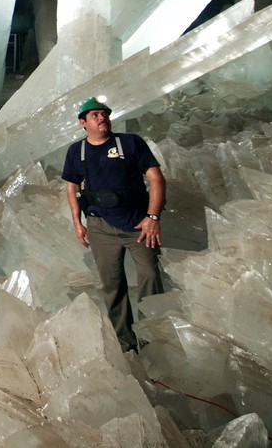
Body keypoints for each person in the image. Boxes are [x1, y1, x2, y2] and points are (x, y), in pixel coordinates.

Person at [61, 97, 166, 352]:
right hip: (100, 227)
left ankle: (153, 342)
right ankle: (125, 344)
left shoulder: (130, 143)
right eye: (95, 115)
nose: (101, 118)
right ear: (83, 123)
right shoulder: (77, 151)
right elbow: (72, 187)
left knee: (151, 277)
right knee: (113, 285)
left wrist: (152, 218)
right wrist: (78, 223)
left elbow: (156, 178)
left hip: (138, 226)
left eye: (104, 113)